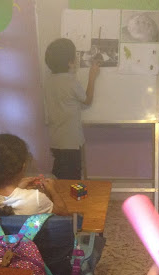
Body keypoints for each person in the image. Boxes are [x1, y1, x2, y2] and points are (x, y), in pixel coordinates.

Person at [0, 133, 69, 216]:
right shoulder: (36, 199)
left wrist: (18, 188)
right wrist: (52, 190)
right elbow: (63, 213)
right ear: (23, 166)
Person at [44, 38, 100, 180]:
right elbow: (87, 100)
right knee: (72, 178)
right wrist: (92, 76)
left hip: (56, 140)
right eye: (75, 55)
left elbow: (68, 102)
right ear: (70, 62)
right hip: (71, 142)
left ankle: (57, 193)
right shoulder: (70, 81)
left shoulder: (49, 81)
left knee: (60, 175)